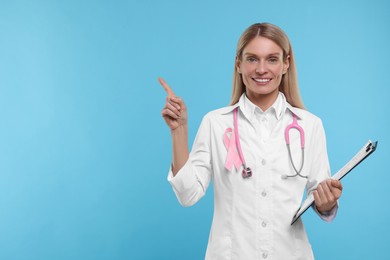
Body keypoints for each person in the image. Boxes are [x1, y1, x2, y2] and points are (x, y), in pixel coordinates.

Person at [159, 23, 343, 260]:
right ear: (238, 64)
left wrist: (327, 203)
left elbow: (319, 197)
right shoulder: (216, 123)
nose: (262, 69)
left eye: (272, 59)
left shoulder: (310, 126)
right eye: (252, 59)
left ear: (286, 64)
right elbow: (188, 195)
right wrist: (179, 131)